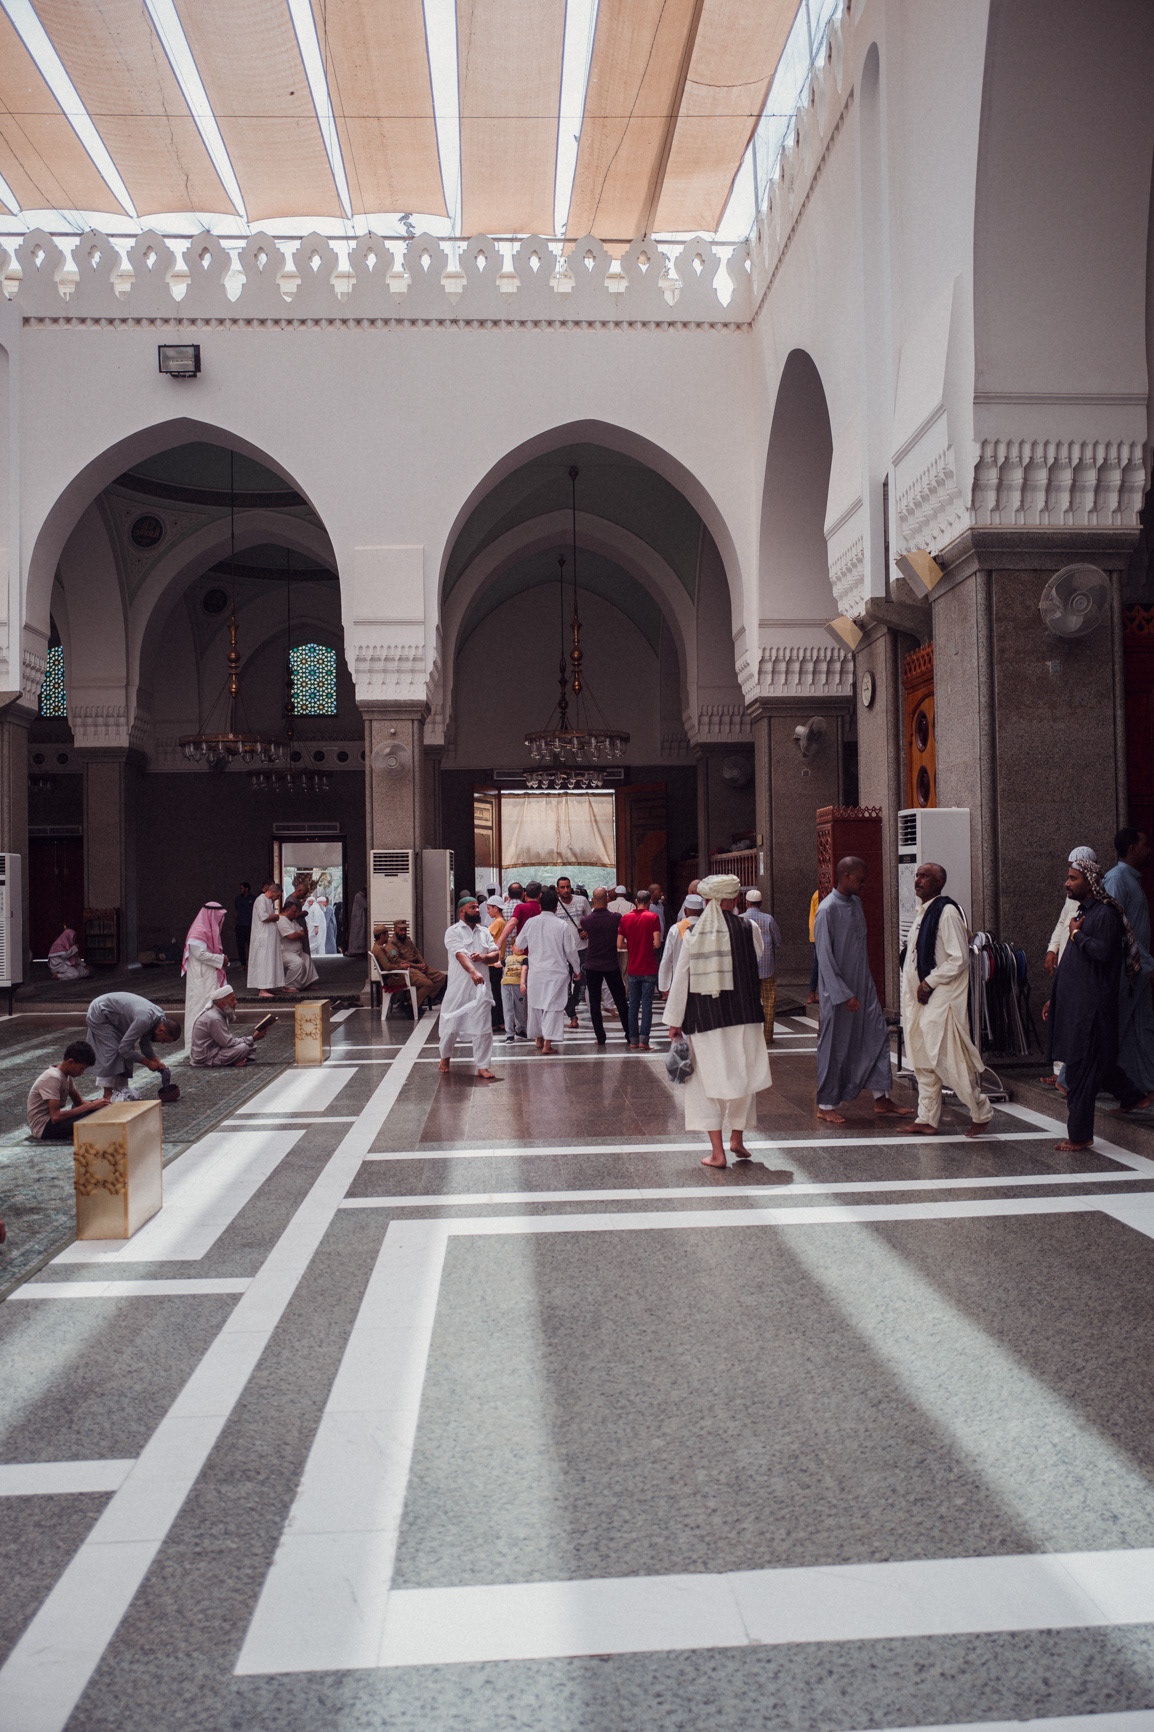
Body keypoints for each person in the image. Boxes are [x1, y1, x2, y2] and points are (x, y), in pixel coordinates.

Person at [664, 874, 789, 1176]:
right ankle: (737, 1139)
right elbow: (756, 956)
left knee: (706, 1085)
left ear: (709, 900)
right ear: (734, 900)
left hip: (705, 1018)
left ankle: (717, 1152)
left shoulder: (693, 933)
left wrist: (674, 1021)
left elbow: (682, 978)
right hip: (744, 1015)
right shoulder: (750, 928)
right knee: (743, 1077)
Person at [1044, 855, 1148, 1151]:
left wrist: (1076, 934)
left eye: (1073, 878)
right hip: (1078, 1006)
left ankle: (1080, 1136)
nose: (1067, 883)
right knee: (1098, 1065)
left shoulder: (1104, 915)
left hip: (1091, 1011)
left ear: (1090, 883)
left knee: (1080, 1074)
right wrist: (1055, 998)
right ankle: (1133, 1096)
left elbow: (1101, 953)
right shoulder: (1084, 912)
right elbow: (1074, 965)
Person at [813, 856, 911, 1123]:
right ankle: (826, 1104)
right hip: (838, 994)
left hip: (863, 988)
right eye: (860, 879)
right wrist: (844, 994)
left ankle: (882, 1098)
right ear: (846, 876)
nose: (864, 884)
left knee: (877, 1036)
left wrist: (864, 988)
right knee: (834, 1046)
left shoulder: (856, 903)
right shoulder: (827, 910)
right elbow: (825, 958)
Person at [900, 862, 993, 1137]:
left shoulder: (947, 911)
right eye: (917, 875)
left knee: (946, 1058)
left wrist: (929, 982)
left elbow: (959, 958)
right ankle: (927, 1118)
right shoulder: (923, 912)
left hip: (941, 997)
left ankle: (981, 1112)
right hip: (918, 997)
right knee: (921, 1058)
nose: (918, 880)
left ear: (939, 882)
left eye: (925, 876)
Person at [1040, 846, 1098, 1090]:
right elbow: (1062, 922)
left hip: (1080, 965)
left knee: (1072, 1020)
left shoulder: (1097, 904)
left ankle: (1065, 1076)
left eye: (1075, 875)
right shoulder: (1071, 897)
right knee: (1061, 1015)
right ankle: (1060, 1072)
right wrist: (1052, 949)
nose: (1068, 881)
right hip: (1066, 959)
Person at [1103, 827, 1154, 1100]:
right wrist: (1145, 962)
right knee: (1116, 1025)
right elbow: (1117, 927)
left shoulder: (1129, 879)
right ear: (1133, 848)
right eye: (1145, 844)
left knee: (1141, 1025)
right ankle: (1071, 1079)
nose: (1149, 850)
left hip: (1138, 969)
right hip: (1128, 970)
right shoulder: (1116, 879)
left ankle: (1144, 1083)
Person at [438, 895, 501, 1079]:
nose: (477, 910)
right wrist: (473, 971)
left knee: (483, 1028)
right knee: (450, 1027)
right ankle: (445, 1057)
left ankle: (483, 1066)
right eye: (472, 907)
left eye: (477, 907)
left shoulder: (484, 932)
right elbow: (460, 955)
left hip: (481, 989)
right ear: (462, 911)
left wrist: (483, 957)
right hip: (458, 988)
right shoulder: (453, 932)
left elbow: (496, 954)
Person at [85, 992, 181, 1101]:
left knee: (128, 1051)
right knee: (113, 1050)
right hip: (100, 1012)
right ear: (161, 1030)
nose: (162, 1043)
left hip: (114, 1016)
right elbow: (124, 1049)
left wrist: (155, 1060)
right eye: (164, 1040)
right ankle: (107, 1094)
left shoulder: (160, 1018)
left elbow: (144, 1044)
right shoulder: (145, 1019)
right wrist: (147, 1062)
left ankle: (120, 1089)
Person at [519, 886, 580, 1054]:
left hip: (536, 971)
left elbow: (519, 944)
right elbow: (570, 951)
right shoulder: (561, 925)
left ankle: (538, 1038)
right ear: (556, 907)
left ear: (540, 905)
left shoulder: (531, 923)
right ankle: (547, 1043)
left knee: (536, 1005)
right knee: (553, 1006)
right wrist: (577, 969)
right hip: (556, 971)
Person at [580, 887, 629, 1045]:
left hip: (592, 964)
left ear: (593, 900)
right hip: (611, 963)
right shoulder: (615, 917)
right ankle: (629, 1034)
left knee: (594, 1003)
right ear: (607, 899)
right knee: (620, 1000)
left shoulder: (586, 921)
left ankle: (600, 1037)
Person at [27, 1040, 104, 1139]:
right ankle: (72, 1134)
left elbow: (79, 1102)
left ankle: (73, 1133)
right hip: (44, 1127)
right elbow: (55, 1117)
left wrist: (99, 1105)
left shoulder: (66, 1076)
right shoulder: (52, 1077)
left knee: (97, 1109)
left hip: (54, 1122)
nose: (82, 1072)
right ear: (71, 1062)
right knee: (92, 1117)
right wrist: (91, 1106)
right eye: (81, 1068)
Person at [375, 916, 447, 1012]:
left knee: (441, 977)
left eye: (405, 930)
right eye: (401, 930)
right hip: (409, 968)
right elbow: (397, 961)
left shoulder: (407, 940)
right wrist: (417, 966)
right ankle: (413, 1004)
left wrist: (423, 964)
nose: (403, 932)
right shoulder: (391, 944)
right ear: (395, 930)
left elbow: (417, 953)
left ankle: (422, 998)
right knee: (425, 981)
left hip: (418, 965)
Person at [619, 888, 661, 1050]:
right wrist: (647, 945)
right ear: (649, 902)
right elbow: (657, 943)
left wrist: (632, 946)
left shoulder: (626, 918)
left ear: (636, 902)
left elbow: (619, 944)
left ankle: (633, 1040)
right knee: (647, 1005)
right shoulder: (653, 917)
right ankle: (644, 1040)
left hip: (633, 968)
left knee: (633, 1006)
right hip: (649, 967)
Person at [742, 888, 783, 1045]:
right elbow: (777, 941)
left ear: (746, 903)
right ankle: (767, 1036)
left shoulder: (740, 919)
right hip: (767, 968)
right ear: (760, 903)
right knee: (769, 1002)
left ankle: (748, 1037)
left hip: (746, 969)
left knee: (746, 1002)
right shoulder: (768, 919)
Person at [191, 986, 269, 1067]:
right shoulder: (214, 1018)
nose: (236, 1002)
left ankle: (236, 1058)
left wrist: (250, 1040)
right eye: (232, 1000)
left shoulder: (218, 1013)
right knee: (243, 1047)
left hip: (216, 1049)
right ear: (222, 1003)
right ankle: (229, 1061)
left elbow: (226, 1041)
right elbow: (228, 1043)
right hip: (206, 1057)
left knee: (248, 1045)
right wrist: (253, 1038)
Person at [183, 901, 227, 1040]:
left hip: (210, 976)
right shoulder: (198, 931)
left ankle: (213, 1043)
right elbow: (199, 954)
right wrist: (221, 959)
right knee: (198, 1010)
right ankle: (195, 1045)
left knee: (213, 1009)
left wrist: (222, 959)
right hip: (200, 979)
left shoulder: (209, 931)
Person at [555, 876, 591, 1027]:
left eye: (568, 887)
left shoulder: (581, 901)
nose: (565, 890)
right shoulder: (555, 905)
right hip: (562, 952)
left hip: (581, 949)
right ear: (557, 889)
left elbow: (590, 920)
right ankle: (572, 1015)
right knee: (565, 985)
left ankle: (571, 1005)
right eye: (562, 887)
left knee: (582, 983)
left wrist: (588, 931)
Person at [658, 893, 704, 992]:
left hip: (680, 980)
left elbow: (667, 958)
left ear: (685, 911)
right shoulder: (708, 927)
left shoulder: (675, 929)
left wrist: (664, 985)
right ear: (702, 911)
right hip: (703, 981)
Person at [247, 879, 284, 999]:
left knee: (271, 961)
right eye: (277, 895)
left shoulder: (268, 901)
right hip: (262, 937)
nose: (277, 898)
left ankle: (269, 986)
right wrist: (276, 916)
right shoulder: (260, 900)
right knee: (264, 962)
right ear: (272, 891)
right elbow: (264, 917)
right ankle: (262, 989)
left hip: (270, 937)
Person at [279, 901, 320, 992]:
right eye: (294, 912)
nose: (296, 914)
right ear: (287, 910)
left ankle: (305, 984)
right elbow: (291, 936)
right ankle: (288, 985)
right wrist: (299, 935)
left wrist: (299, 935)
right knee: (297, 963)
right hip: (284, 952)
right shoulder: (281, 920)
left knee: (306, 959)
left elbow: (303, 932)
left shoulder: (292, 920)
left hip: (296, 951)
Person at [500, 928, 528, 1041]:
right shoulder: (507, 959)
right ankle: (509, 1033)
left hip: (518, 986)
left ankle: (521, 1030)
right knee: (508, 1009)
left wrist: (522, 983)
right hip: (506, 985)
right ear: (511, 947)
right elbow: (498, 964)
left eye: (522, 946)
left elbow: (524, 969)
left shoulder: (524, 958)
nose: (520, 948)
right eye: (517, 945)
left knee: (521, 1009)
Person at [234, 882, 255, 967]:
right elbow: (236, 911)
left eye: (241, 888)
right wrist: (234, 923)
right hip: (240, 925)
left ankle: (252, 964)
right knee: (240, 946)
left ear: (247, 889)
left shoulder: (253, 898)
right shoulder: (238, 899)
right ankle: (243, 964)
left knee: (251, 945)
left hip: (250, 925)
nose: (240, 890)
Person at [347, 888, 368, 956]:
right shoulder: (358, 896)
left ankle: (361, 952)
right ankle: (358, 953)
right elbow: (365, 905)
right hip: (358, 920)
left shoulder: (362, 896)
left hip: (361, 919)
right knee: (358, 937)